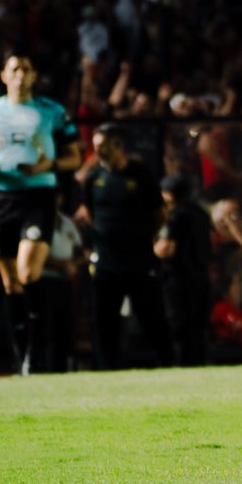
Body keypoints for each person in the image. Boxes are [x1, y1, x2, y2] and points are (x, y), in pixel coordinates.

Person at [0, 53, 82, 374]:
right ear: (4, 75)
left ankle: (38, 351)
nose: (20, 74)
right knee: (11, 284)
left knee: (28, 273)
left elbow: (74, 157)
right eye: (14, 68)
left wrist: (48, 165)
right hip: (3, 198)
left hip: (38, 195)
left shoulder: (52, 111)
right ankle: (24, 356)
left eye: (26, 69)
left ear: (33, 76)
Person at [76, 127, 168, 368]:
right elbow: (90, 214)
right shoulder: (94, 178)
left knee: (152, 316)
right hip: (107, 263)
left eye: (102, 146)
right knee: (105, 320)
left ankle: (168, 362)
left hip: (139, 260)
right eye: (96, 145)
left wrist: (145, 238)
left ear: (118, 145)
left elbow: (160, 214)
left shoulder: (140, 175)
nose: (97, 151)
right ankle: (107, 369)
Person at [154, 174, 213, 366]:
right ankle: (199, 362)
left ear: (170, 194)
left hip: (178, 279)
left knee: (179, 325)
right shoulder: (201, 213)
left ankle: (181, 363)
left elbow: (166, 249)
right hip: (200, 276)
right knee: (198, 325)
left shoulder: (176, 216)